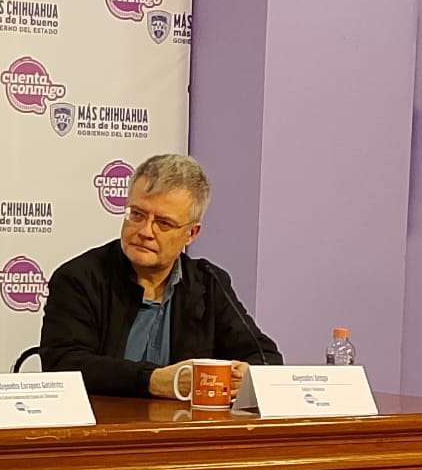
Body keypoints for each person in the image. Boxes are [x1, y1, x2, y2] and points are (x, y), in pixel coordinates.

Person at [40, 153, 281, 398]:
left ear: (191, 233)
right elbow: (64, 364)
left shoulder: (208, 282)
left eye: (163, 223)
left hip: (183, 422)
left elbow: (265, 356)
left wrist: (247, 375)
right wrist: (154, 381)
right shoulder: (79, 278)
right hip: (102, 420)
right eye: (137, 214)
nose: (145, 231)